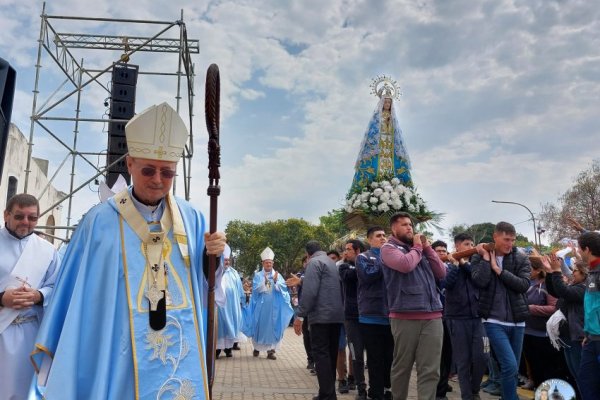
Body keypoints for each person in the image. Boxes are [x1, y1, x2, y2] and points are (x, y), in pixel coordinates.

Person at [30, 102, 227, 399]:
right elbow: (76, 295)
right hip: (116, 349)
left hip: (177, 344)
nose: (158, 180)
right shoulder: (98, 222)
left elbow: (208, 281)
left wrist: (213, 255)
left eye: (168, 173)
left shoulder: (193, 219)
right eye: (149, 169)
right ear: (130, 163)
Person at [0, 194, 60, 400]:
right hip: (1, 329)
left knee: (25, 392)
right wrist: (2, 299)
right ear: (6, 215)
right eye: (19, 216)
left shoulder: (48, 252)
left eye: (32, 218)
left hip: (31, 333)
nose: (26, 222)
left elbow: (57, 287)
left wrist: (39, 295)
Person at [381, 212, 447, 400]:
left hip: (433, 316)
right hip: (404, 317)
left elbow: (441, 273)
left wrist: (427, 248)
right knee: (402, 367)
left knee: (431, 370)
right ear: (393, 229)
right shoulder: (389, 248)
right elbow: (405, 265)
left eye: (410, 224)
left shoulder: (420, 249)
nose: (409, 227)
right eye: (404, 225)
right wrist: (418, 246)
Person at [470, 222, 531, 400]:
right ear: (495, 237)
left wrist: (499, 270)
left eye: (512, 240)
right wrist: (486, 260)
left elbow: (524, 285)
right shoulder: (478, 257)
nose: (509, 244)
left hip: (518, 322)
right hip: (492, 322)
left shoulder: (521, 258)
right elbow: (479, 282)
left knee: (511, 369)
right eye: (506, 239)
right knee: (510, 365)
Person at [294, 240, 344, 400]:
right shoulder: (331, 262)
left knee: (321, 355)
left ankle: (328, 395)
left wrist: (300, 315)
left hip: (321, 317)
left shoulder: (313, 263)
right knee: (330, 354)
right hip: (336, 316)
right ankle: (327, 393)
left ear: (308, 254)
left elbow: (309, 292)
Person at [443, 233, 487, 400]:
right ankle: (468, 396)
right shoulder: (447, 265)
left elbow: (480, 281)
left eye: (472, 244)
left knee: (484, 355)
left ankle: (475, 390)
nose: (471, 247)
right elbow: (446, 284)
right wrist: (455, 265)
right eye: (467, 244)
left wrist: (463, 263)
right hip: (456, 318)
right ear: (457, 247)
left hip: (477, 318)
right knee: (463, 361)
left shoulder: (474, 265)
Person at [356, 226, 394, 400]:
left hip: (391, 316)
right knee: (374, 357)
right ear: (370, 240)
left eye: (385, 235)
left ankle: (387, 388)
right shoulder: (363, 257)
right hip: (370, 316)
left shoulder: (392, 256)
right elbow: (368, 276)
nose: (383, 238)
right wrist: (383, 257)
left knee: (389, 357)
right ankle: (376, 392)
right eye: (378, 236)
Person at [350, 93, 412, 193]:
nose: (387, 104)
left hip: (391, 147)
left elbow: (397, 134)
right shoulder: (377, 116)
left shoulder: (393, 118)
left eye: (389, 102)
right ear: (382, 103)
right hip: (379, 146)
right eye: (386, 102)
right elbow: (372, 132)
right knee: (373, 167)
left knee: (395, 167)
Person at [543, 255, 586, 396]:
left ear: (584, 273)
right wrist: (550, 272)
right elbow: (555, 291)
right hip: (568, 337)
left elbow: (564, 291)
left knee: (582, 375)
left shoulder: (584, 288)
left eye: (575, 270)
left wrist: (556, 271)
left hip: (578, 338)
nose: (572, 273)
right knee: (575, 374)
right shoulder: (575, 286)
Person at [246, 247, 294, 360]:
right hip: (261, 307)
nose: (268, 264)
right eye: (266, 262)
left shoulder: (278, 275)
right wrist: (268, 280)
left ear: (273, 263)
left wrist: (276, 281)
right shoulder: (258, 275)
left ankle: (271, 351)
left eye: (270, 262)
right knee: (260, 326)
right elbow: (258, 289)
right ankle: (257, 348)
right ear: (262, 263)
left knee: (273, 327)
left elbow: (283, 289)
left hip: (275, 307)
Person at [339, 239, 368, 400]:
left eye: (348, 249)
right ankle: (360, 388)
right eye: (345, 249)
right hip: (351, 317)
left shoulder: (369, 263)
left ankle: (380, 388)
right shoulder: (344, 267)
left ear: (358, 251)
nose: (345, 252)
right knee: (356, 353)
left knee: (375, 355)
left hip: (371, 314)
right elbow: (349, 276)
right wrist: (362, 262)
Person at [577, 231, 600, 400]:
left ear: (586, 249)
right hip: (592, 339)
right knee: (586, 382)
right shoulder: (592, 271)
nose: (578, 253)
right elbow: (591, 307)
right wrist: (587, 333)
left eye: (579, 249)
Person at [431, 240, 453, 400]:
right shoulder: (429, 269)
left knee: (448, 355)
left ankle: (443, 383)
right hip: (435, 317)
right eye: (438, 251)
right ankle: (439, 391)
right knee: (437, 356)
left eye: (444, 251)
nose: (442, 253)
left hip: (451, 317)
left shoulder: (452, 267)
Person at [216, 244, 246, 358]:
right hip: (219, 306)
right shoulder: (216, 271)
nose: (227, 262)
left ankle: (228, 349)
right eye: (225, 260)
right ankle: (217, 350)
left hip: (232, 305)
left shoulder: (234, 273)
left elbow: (239, 288)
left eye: (228, 260)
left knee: (230, 326)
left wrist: (242, 301)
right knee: (220, 327)